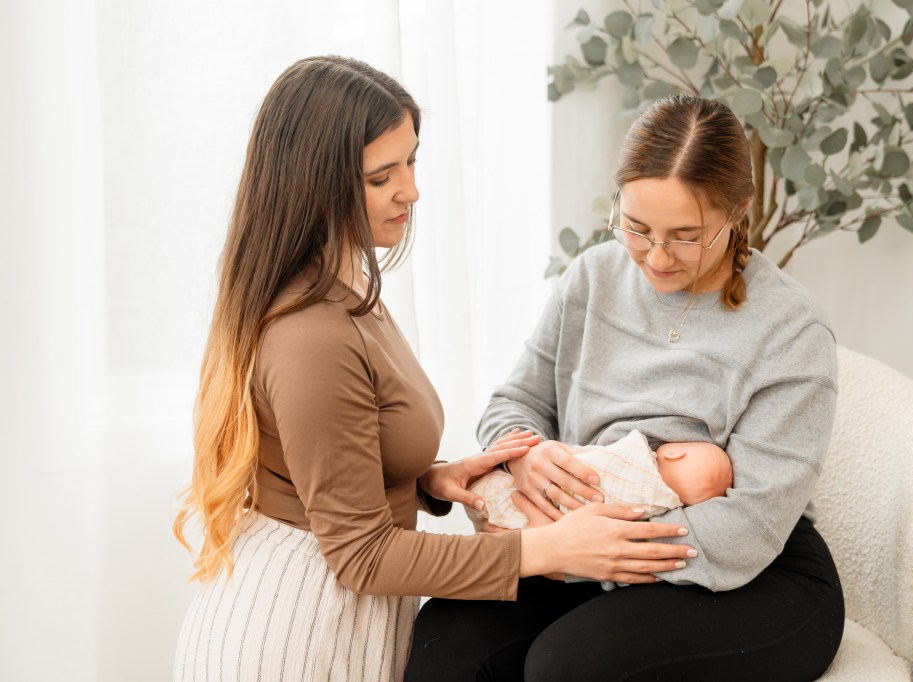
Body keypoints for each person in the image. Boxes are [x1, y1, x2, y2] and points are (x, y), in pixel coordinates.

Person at [170, 55, 695, 682]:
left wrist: (426, 480)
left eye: (411, 162)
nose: (411, 192)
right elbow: (361, 556)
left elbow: (326, 466)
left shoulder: (345, 284)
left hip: (325, 615)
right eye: (381, 177)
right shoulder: (312, 334)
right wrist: (543, 549)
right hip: (295, 636)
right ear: (316, 185)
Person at [404, 94, 845, 681]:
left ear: (739, 211)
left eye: (686, 235)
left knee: (567, 667)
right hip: (582, 533)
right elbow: (517, 402)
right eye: (637, 228)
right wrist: (526, 453)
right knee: (443, 643)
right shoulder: (593, 277)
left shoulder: (791, 329)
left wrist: (573, 558)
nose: (657, 257)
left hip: (748, 567)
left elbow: (751, 527)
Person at [467, 430, 733, 531]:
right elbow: (515, 399)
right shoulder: (654, 507)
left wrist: (549, 552)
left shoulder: (634, 456)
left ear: (675, 453)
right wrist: (523, 451)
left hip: (562, 544)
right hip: (532, 485)